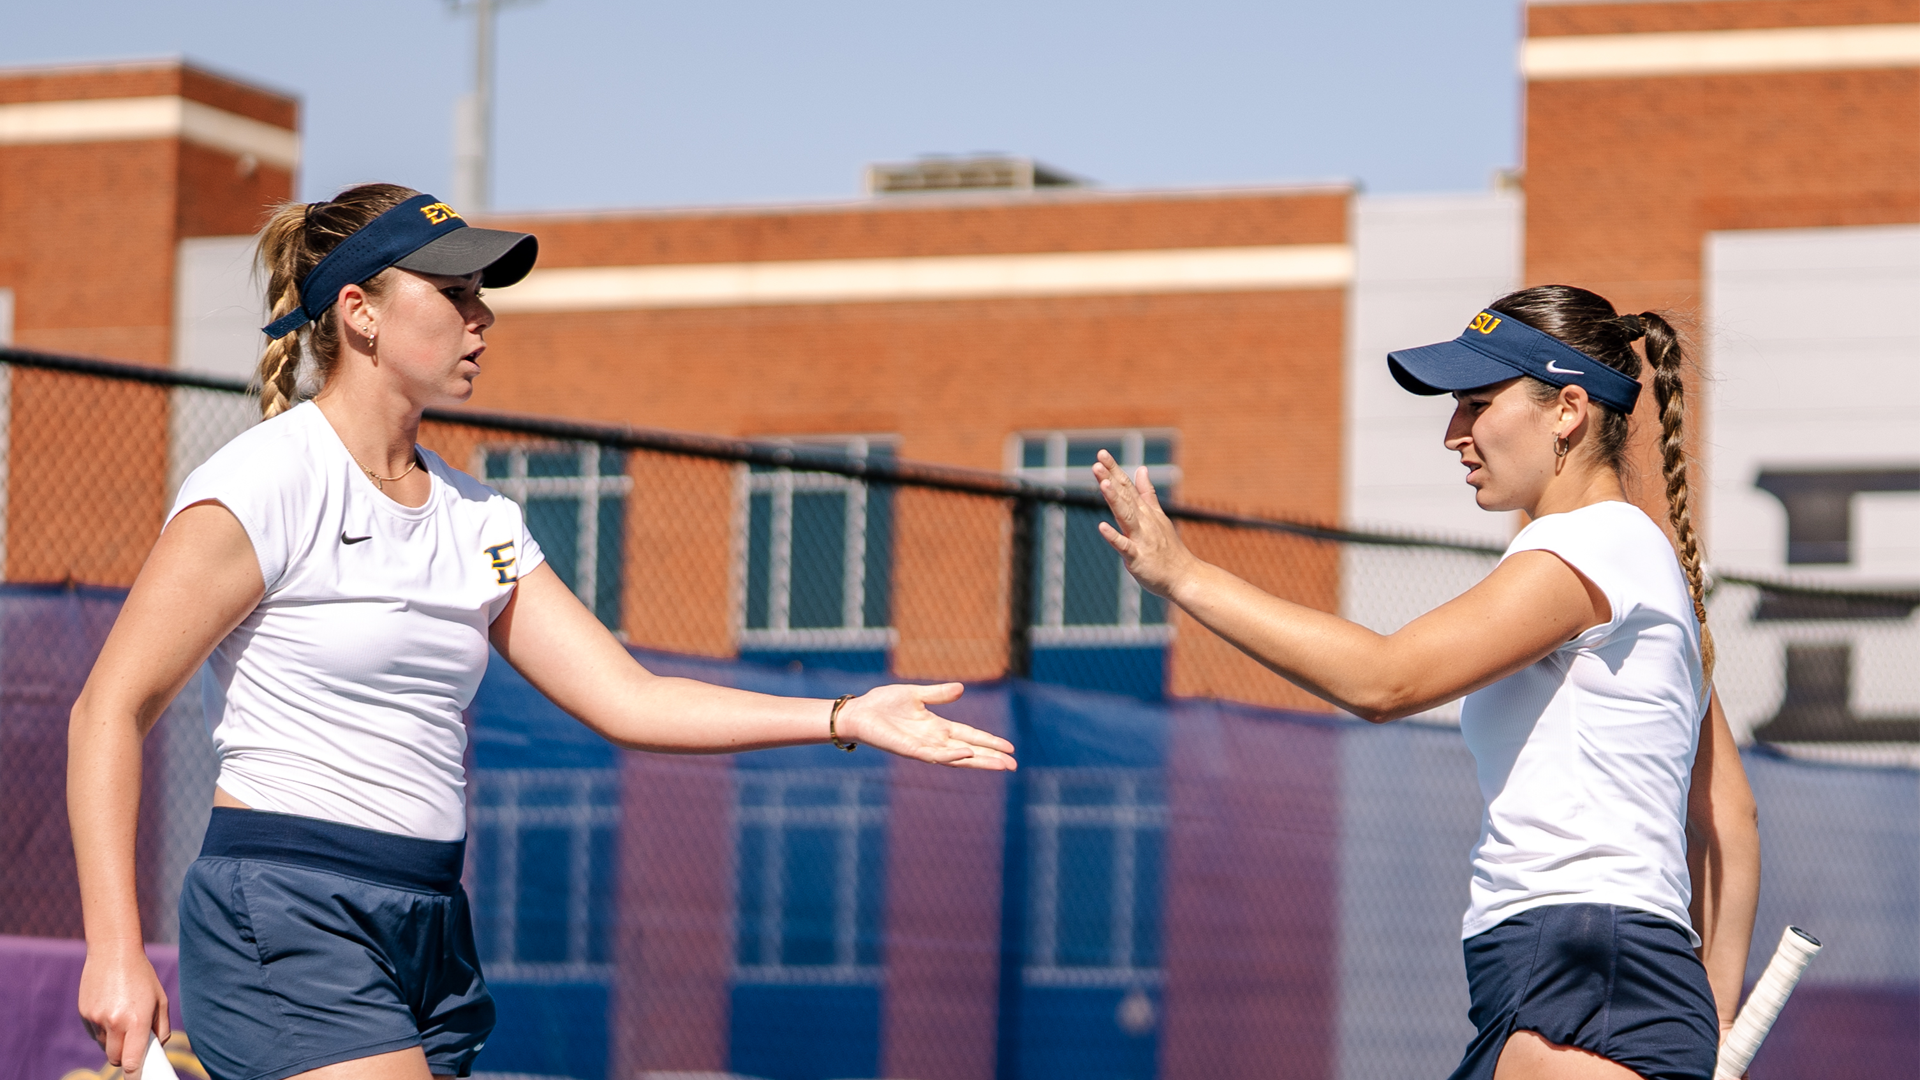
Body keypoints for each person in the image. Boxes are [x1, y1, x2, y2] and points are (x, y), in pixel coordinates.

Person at [68, 183, 1016, 1080]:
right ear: (359, 311)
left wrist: (847, 713)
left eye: (482, 296)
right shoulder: (268, 482)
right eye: (453, 294)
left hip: (432, 924)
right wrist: (114, 949)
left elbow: (632, 698)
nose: (482, 319)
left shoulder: (480, 522)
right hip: (289, 908)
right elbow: (108, 708)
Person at [1092, 285, 1760, 1080]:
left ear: (1568, 411)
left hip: (1582, 971)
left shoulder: (1592, 548)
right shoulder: (1644, 569)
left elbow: (1387, 680)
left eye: (1477, 403)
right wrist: (1710, 1016)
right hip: (1595, 979)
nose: (1454, 434)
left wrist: (1184, 576)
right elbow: (1729, 813)